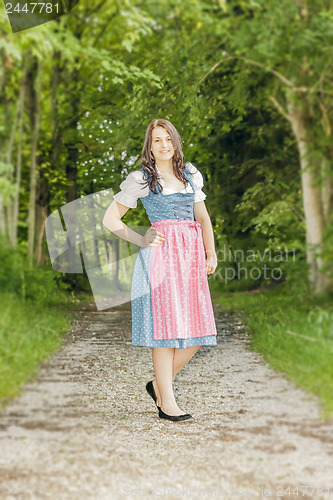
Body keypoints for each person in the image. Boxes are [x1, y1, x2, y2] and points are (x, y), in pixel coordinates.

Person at [103, 118, 218, 423]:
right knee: (165, 332)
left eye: (168, 139)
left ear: (175, 141)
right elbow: (110, 220)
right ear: (149, 146)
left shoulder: (190, 175)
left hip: (191, 258)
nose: (164, 145)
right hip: (161, 258)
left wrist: (211, 254)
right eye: (157, 140)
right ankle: (167, 402)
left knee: (197, 331)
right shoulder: (143, 178)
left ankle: (157, 385)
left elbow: (203, 219)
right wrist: (141, 238)